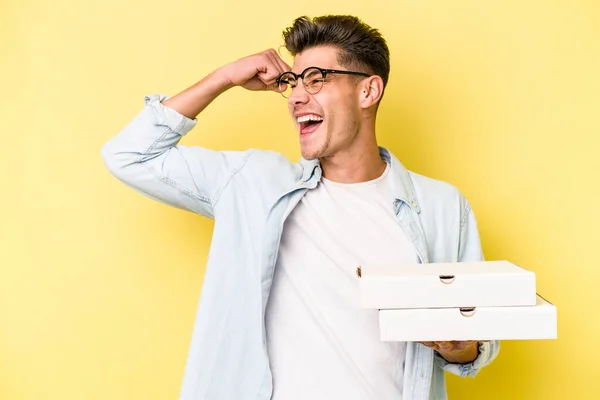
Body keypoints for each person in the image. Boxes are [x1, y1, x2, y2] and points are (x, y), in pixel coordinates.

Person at [102, 14, 499, 400]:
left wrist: (457, 344)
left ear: (368, 91)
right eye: (293, 81)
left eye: (316, 79)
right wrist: (224, 77)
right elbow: (129, 156)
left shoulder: (442, 208)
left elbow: (480, 339)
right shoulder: (253, 185)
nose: (295, 96)